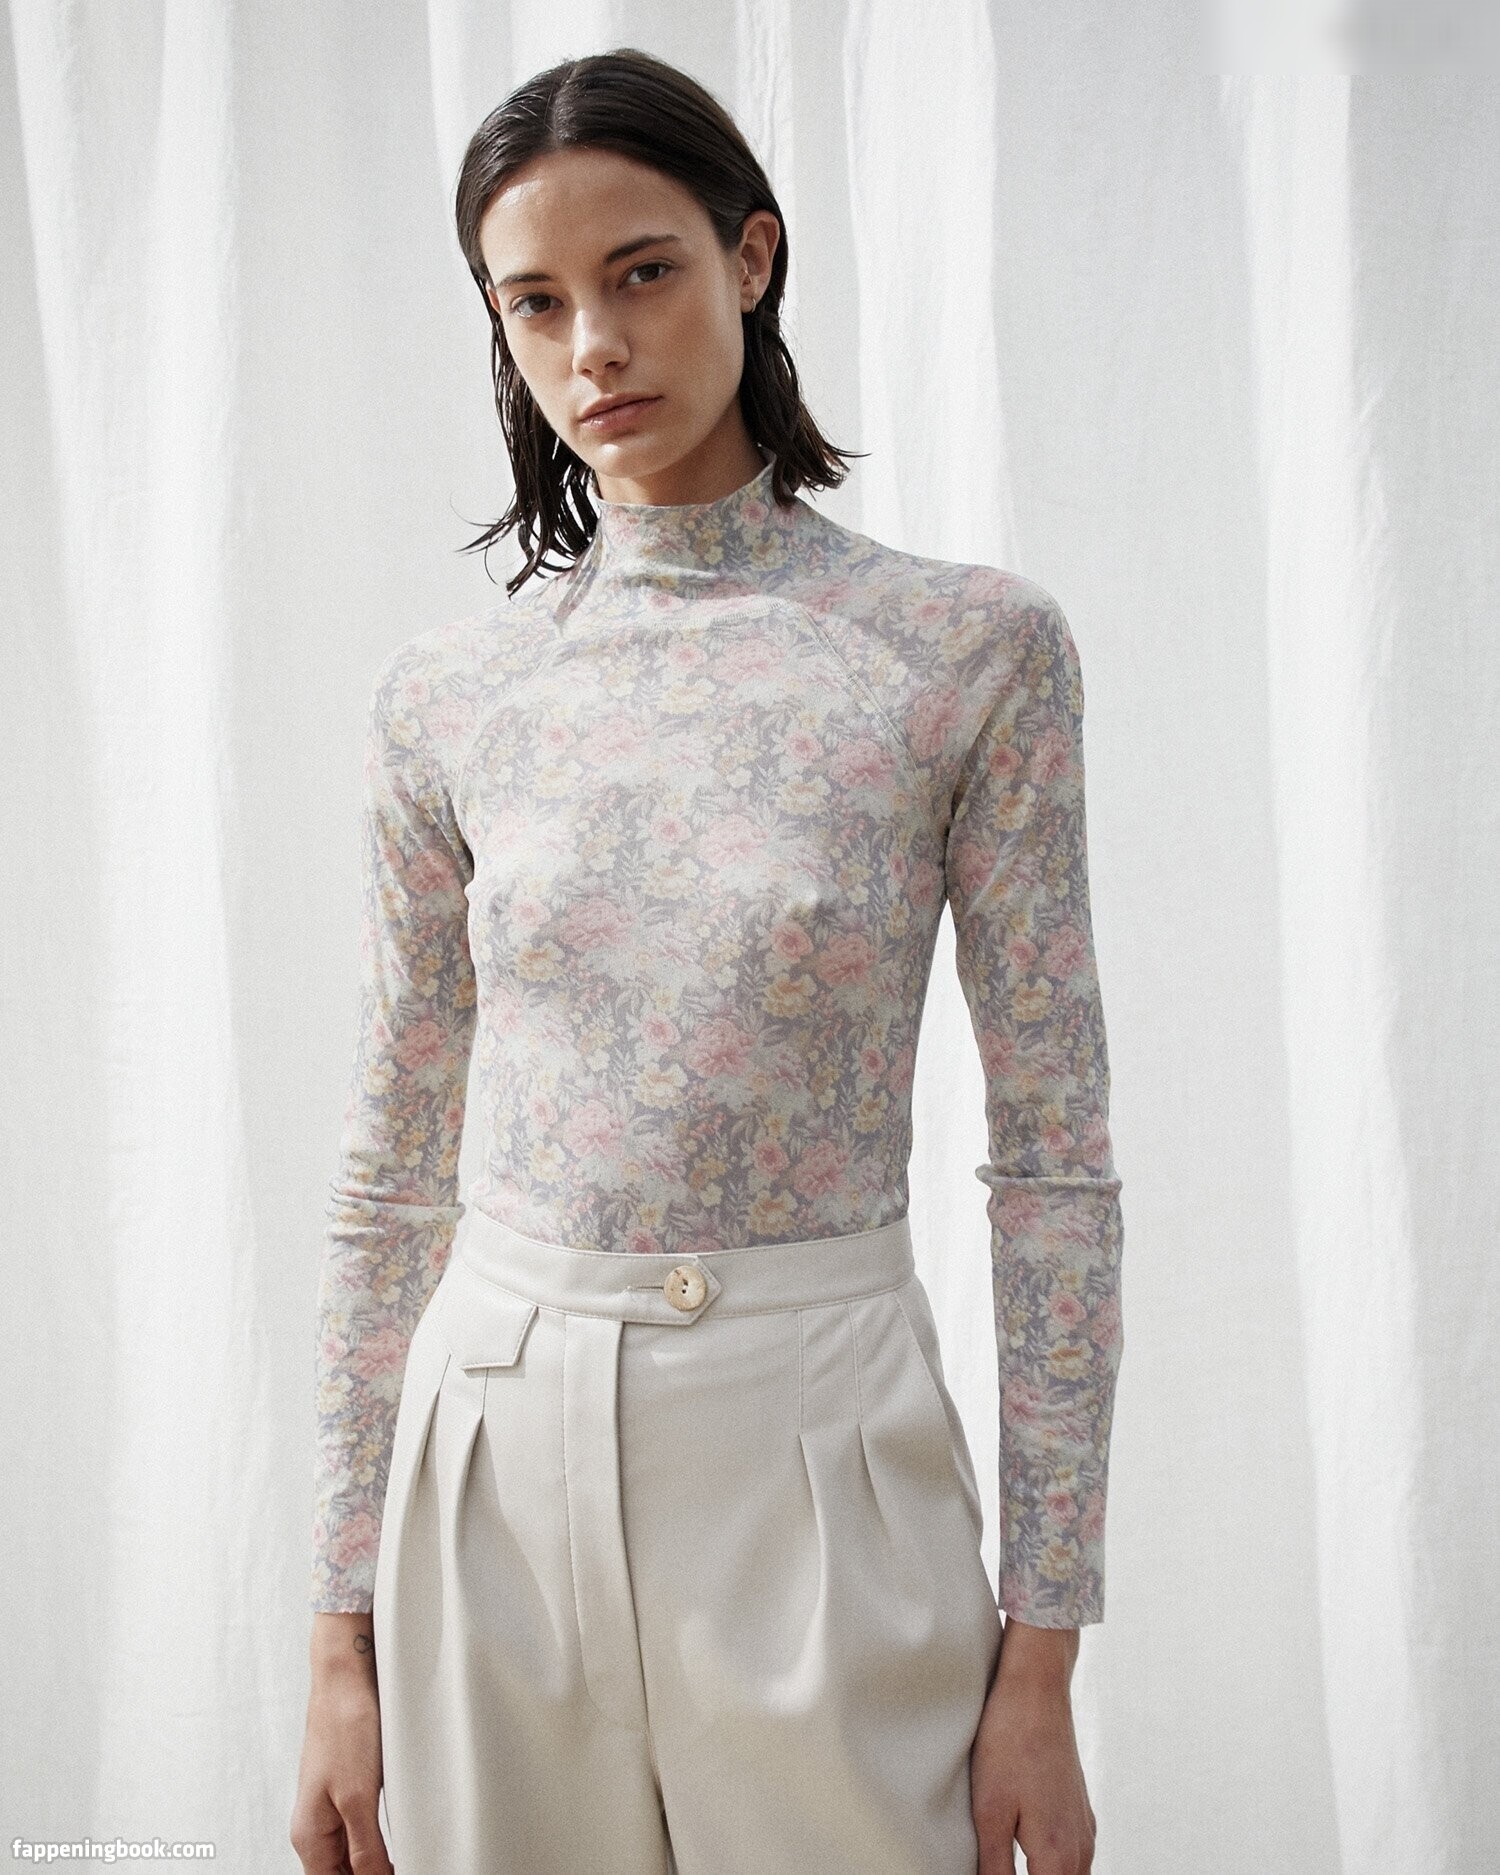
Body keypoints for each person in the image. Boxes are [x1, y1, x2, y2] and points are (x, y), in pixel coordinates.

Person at [291, 45, 1124, 1875]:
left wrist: (1044, 1654)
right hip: (492, 1467)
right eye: (535, 302)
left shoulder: (965, 654)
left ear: (753, 257)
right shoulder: (449, 697)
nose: (594, 343)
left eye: (643, 271)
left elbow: (1056, 1169)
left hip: (820, 1448)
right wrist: (338, 1640)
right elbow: (386, 1179)